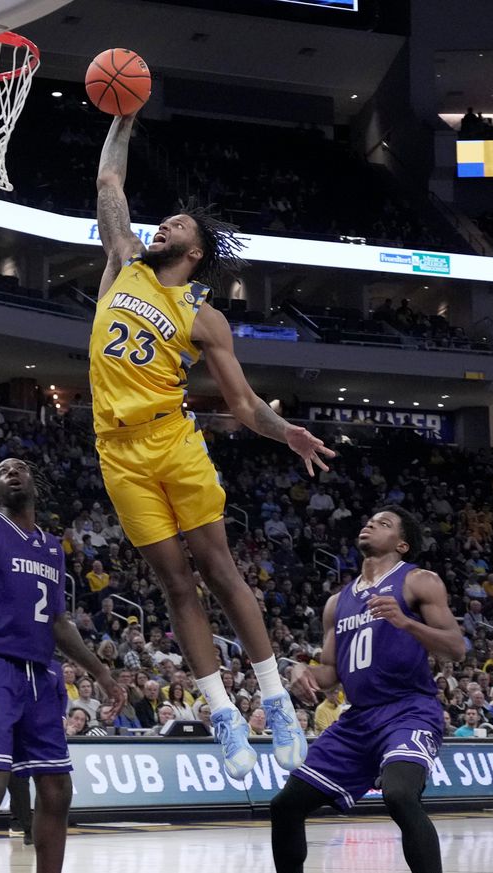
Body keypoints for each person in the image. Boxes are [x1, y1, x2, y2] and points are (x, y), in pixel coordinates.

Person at [92, 114, 330, 777]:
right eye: (161, 222)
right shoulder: (122, 265)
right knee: (174, 585)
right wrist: (124, 118)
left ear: (195, 252)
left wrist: (287, 432)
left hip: (172, 440)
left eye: (176, 226)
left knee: (219, 571)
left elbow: (244, 405)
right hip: (117, 451)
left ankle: (277, 699)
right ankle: (223, 712)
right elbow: (110, 179)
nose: (161, 227)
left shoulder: (206, 318)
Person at [0, 457, 123, 873]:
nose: (12, 472)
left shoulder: (52, 548)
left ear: (36, 483)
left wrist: (101, 671)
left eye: (20, 468)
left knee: (57, 788)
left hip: (41, 674)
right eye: (2, 470)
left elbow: (58, 622)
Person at [271, 507, 465, 873]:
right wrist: (299, 669)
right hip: (358, 719)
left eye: (385, 523)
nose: (371, 523)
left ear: (402, 544)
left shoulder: (419, 581)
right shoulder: (337, 602)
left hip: (409, 709)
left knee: (400, 794)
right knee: (285, 806)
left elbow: (456, 647)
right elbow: (329, 673)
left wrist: (405, 622)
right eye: (370, 519)